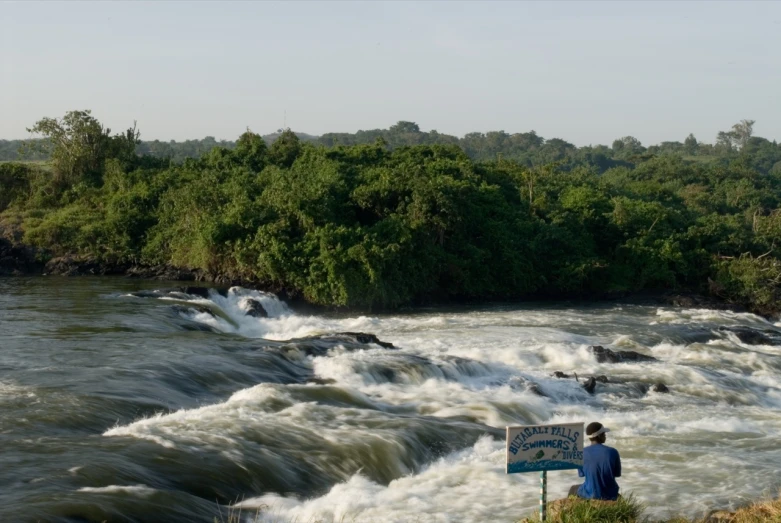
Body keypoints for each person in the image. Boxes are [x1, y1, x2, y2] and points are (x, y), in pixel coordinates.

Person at [567, 421, 621, 501]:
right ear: (599, 435)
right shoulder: (613, 452)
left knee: (573, 489)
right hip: (610, 494)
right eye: (604, 433)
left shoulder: (581, 453)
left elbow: (582, 474)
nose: (605, 435)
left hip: (590, 493)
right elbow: (617, 474)